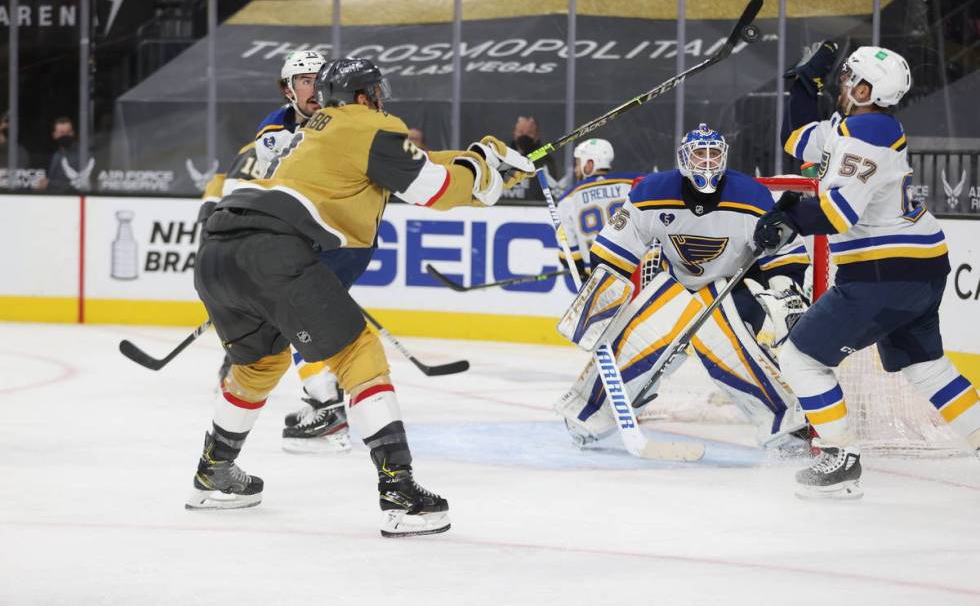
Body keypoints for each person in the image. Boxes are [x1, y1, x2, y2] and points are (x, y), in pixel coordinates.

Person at [187, 57, 536, 537]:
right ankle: (401, 493)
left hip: (219, 252)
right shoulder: (370, 125)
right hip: (275, 251)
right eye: (377, 92)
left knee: (258, 366)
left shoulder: (316, 131)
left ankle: (214, 473)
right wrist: (485, 174)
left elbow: (411, 165)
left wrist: (476, 158)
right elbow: (434, 189)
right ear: (365, 95)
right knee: (359, 353)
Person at [756, 44, 979, 499]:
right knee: (927, 368)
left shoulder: (866, 135)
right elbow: (796, 138)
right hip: (920, 267)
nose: (841, 83)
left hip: (883, 272)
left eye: (847, 78)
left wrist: (789, 219)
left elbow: (839, 212)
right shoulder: (854, 126)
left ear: (864, 89)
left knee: (801, 359)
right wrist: (803, 84)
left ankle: (840, 457)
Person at [555, 124, 812, 452]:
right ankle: (589, 414)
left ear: (725, 157)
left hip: (732, 288)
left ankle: (785, 425)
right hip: (678, 282)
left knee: (731, 352)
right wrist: (601, 299)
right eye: (699, 153)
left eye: (714, 153)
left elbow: (783, 253)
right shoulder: (653, 192)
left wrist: (783, 288)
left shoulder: (751, 195)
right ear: (683, 158)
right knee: (633, 339)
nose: (707, 162)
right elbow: (616, 248)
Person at [202, 50, 355, 454]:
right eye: (303, 80)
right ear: (288, 89)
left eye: (317, 78)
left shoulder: (345, 119)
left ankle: (328, 408)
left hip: (336, 231)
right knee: (293, 319)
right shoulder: (274, 127)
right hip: (298, 236)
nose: (312, 87)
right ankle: (325, 403)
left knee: (295, 318)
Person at [556, 138, 644, 281]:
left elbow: (568, 257)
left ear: (590, 164)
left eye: (578, 163)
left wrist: (583, 273)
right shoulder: (633, 183)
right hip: (637, 275)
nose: (576, 169)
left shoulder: (568, 199)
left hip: (600, 281)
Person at [47, 117, 86, 192]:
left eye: (68, 132)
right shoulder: (54, 154)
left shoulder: (80, 155)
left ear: (73, 133)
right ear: (54, 134)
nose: (65, 135)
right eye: (61, 132)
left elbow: (78, 182)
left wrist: (49, 183)